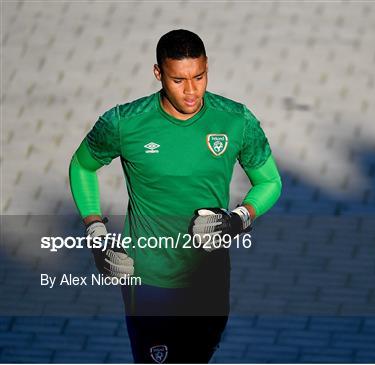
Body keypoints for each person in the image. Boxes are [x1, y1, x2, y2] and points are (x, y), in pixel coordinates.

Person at [69, 29, 282, 363]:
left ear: (208, 67)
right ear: (158, 73)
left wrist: (239, 219)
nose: (191, 90)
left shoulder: (235, 120)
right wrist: (95, 230)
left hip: (209, 279)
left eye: (199, 77)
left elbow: (270, 182)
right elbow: (82, 167)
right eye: (178, 80)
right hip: (149, 279)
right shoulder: (125, 123)